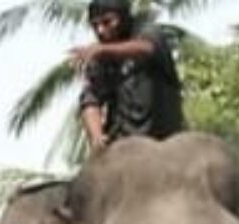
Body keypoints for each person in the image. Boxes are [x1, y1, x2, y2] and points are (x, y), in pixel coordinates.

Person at [72, 0, 185, 153]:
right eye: (95, 25)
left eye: (107, 22)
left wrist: (103, 50)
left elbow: (147, 48)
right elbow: (90, 98)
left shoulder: (147, 32)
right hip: (122, 145)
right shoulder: (100, 57)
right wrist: (96, 136)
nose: (100, 30)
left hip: (163, 141)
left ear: (123, 17)